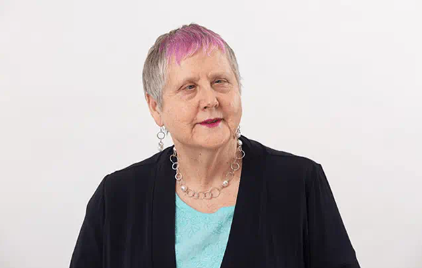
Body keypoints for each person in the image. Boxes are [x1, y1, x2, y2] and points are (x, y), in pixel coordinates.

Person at [69, 23, 361, 268]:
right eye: (189, 87)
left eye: (220, 81)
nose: (210, 100)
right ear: (156, 107)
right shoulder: (116, 198)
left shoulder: (300, 184)